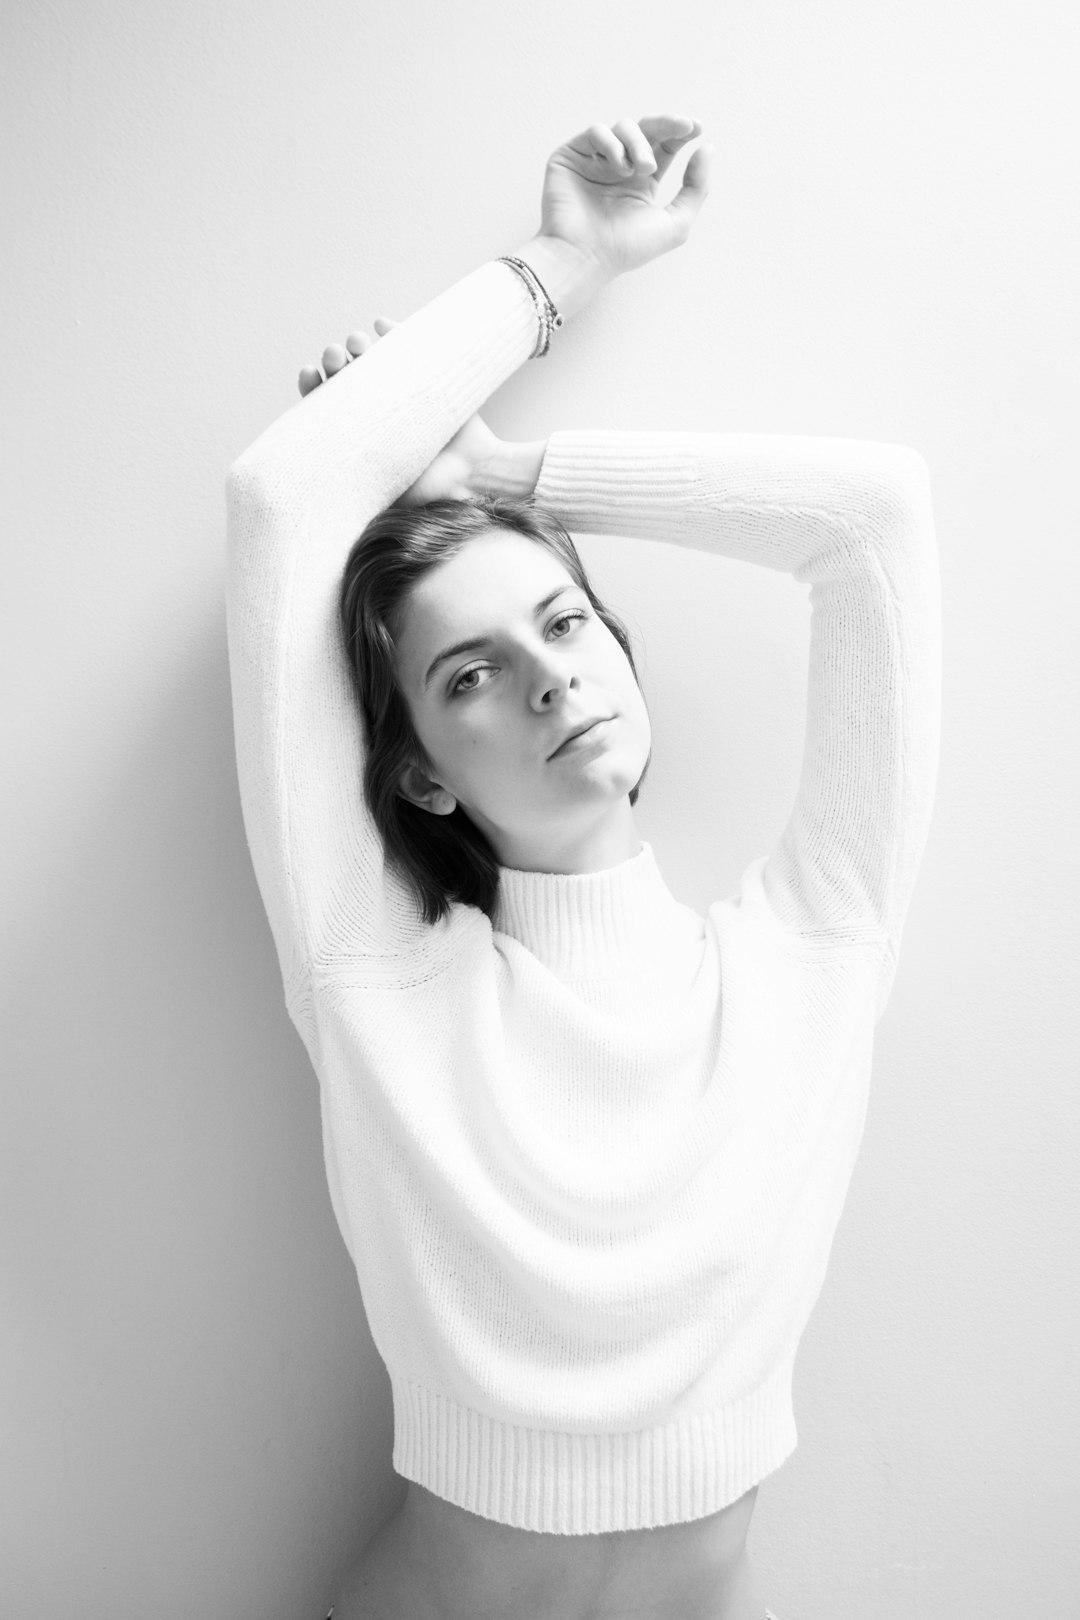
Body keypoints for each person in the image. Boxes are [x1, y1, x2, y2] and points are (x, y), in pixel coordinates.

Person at [225, 113, 940, 1620]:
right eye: (468, 676)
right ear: (416, 764)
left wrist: (511, 468)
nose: (550, 682)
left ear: (618, 648)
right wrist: (569, 264)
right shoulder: (385, 982)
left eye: (562, 623)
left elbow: (872, 520)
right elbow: (286, 500)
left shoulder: (812, 949)